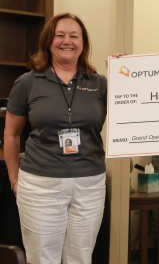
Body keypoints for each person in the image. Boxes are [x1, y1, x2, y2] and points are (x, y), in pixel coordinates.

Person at [3, 13, 112, 264]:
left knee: (81, 257)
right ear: (48, 41)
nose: (67, 41)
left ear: (83, 43)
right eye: (60, 35)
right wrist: (14, 179)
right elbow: (11, 134)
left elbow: (130, 112)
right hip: (40, 185)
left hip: (89, 185)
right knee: (42, 258)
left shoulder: (100, 83)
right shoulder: (28, 82)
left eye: (74, 36)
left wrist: (126, 74)